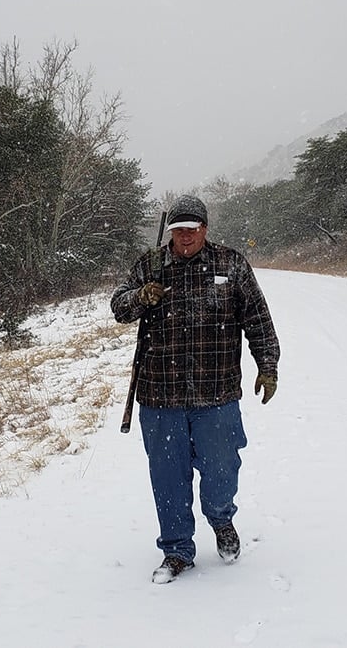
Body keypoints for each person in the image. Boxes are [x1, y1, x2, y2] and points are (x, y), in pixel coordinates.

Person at [110, 194, 280, 584]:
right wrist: (141, 296)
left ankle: (221, 520)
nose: (184, 237)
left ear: (205, 229)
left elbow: (257, 318)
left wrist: (267, 366)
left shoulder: (231, 263)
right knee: (168, 478)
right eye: (178, 230)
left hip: (216, 394)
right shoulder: (150, 265)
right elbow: (119, 307)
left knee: (222, 471)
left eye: (192, 229)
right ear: (170, 232)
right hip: (160, 395)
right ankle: (177, 550)